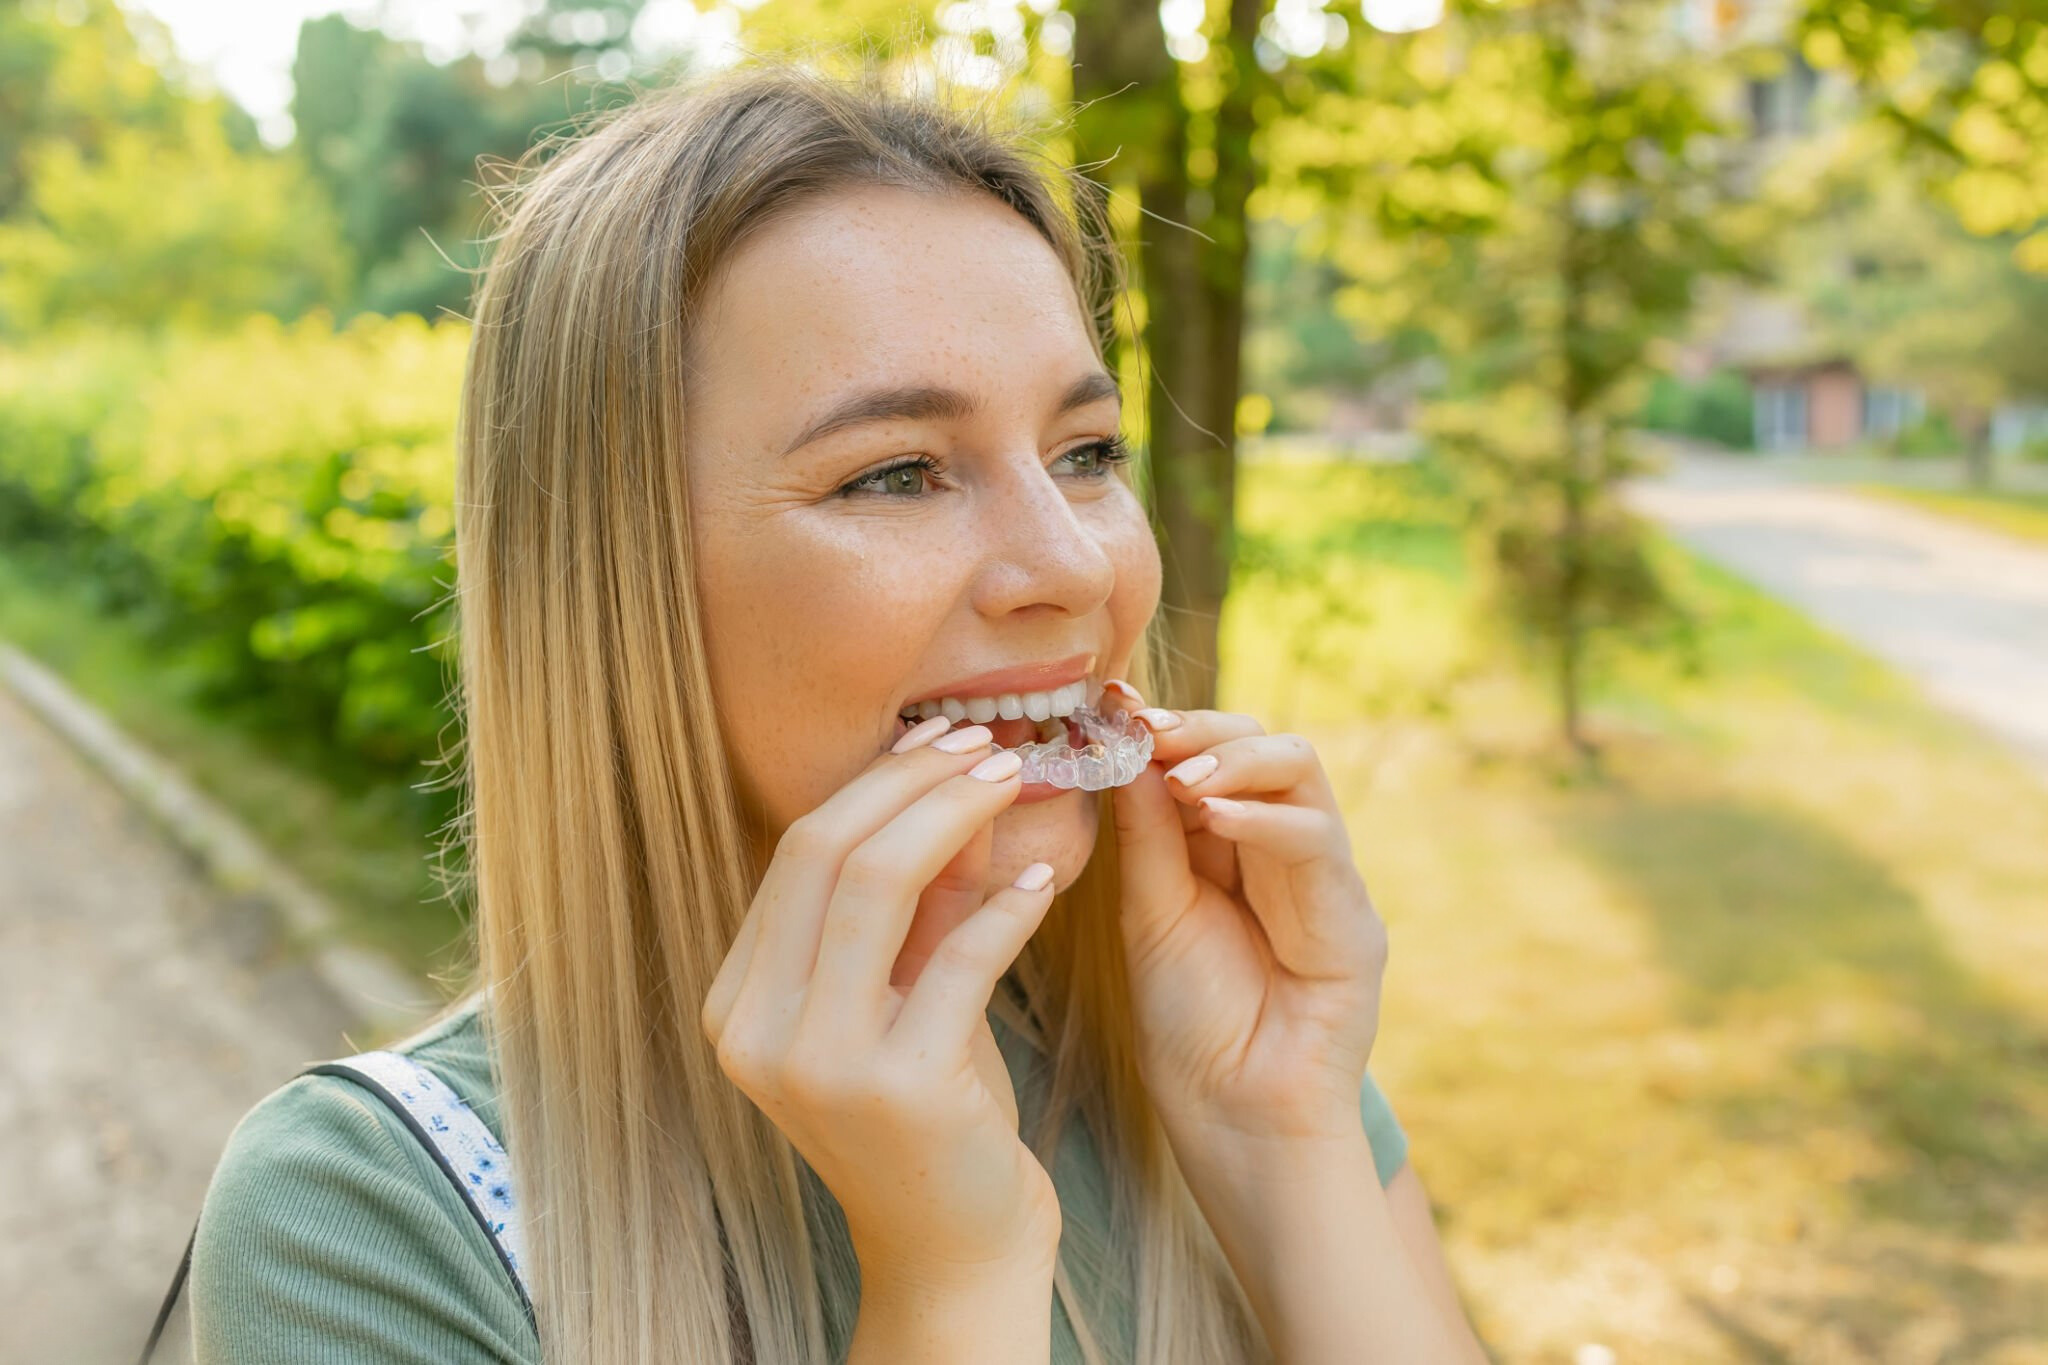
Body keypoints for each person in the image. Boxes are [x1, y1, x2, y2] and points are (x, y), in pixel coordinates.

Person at [187, 57, 1490, 1364]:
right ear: (618, 583)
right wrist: (947, 1278)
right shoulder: (369, 1220)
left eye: (1086, 452)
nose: (1077, 568)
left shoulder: (1216, 1045)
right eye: (899, 474)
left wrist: (1281, 1139)